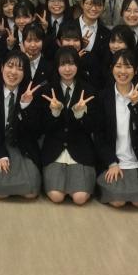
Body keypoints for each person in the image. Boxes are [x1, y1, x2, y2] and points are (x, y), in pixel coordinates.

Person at [95, 49, 138, 208]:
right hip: (112, 162)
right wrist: (111, 163)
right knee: (117, 201)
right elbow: (99, 136)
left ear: (136, 70)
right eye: (118, 66)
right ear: (112, 69)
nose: (123, 71)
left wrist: (137, 106)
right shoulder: (102, 97)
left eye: (128, 67)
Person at [38, 47, 98, 205]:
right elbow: (41, 127)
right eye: (63, 64)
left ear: (78, 65)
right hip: (54, 149)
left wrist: (80, 115)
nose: (67, 69)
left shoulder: (89, 90)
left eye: (71, 64)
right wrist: (54, 113)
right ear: (57, 66)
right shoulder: (47, 90)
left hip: (81, 149)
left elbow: (93, 127)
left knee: (80, 198)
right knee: (56, 196)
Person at [0, 50, 42, 199]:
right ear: (2, 67)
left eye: (20, 68)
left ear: (25, 73)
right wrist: (0, 153)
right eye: (10, 66)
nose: (13, 72)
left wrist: (25, 106)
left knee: (31, 191)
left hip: (22, 144)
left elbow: (35, 131)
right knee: (1, 191)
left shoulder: (31, 92)